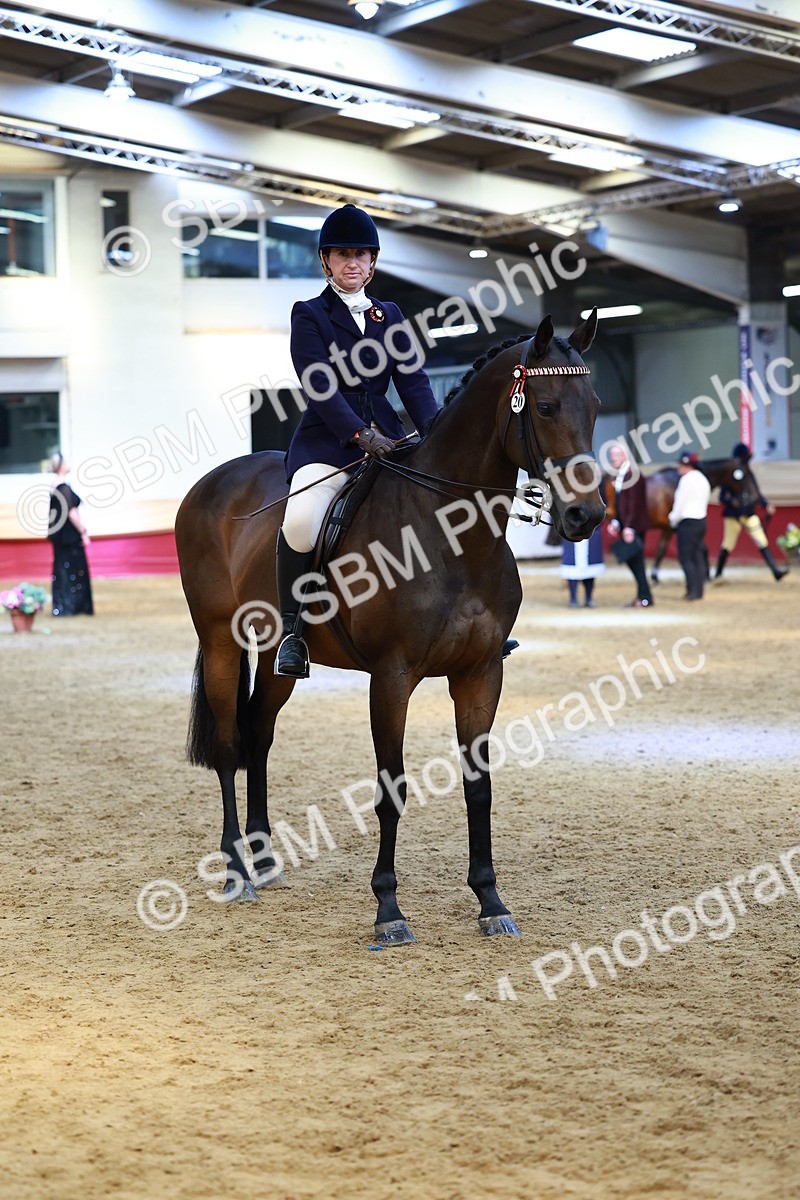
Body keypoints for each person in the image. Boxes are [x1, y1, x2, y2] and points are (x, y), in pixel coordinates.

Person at [275, 203, 439, 678]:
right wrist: (358, 432)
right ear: (325, 261)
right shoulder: (309, 314)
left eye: (361, 254)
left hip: (390, 441)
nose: (353, 262)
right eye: (342, 254)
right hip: (330, 445)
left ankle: (463, 613)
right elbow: (318, 384)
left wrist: (434, 433)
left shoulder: (389, 315)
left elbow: (413, 381)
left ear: (373, 261)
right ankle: (292, 633)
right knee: (302, 520)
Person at [714, 442, 787, 582]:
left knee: (761, 540)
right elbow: (723, 497)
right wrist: (732, 502)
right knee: (728, 544)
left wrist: (766, 504)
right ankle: (718, 574)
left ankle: (775, 571)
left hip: (748, 513)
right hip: (733, 516)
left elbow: (756, 493)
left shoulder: (749, 474)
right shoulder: (729, 475)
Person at [47, 451, 94, 617]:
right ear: (60, 466)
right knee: (75, 570)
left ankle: (64, 604)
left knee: (63, 569)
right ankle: (74, 605)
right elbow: (71, 512)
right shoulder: (63, 487)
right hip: (69, 536)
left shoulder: (54, 486)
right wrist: (83, 531)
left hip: (60, 537)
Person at [607, 443, 653, 608]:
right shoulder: (622, 474)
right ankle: (643, 596)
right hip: (628, 525)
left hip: (635, 526)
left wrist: (629, 527)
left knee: (637, 563)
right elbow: (621, 504)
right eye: (612, 455)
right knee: (633, 562)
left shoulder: (632, 474)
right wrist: (616, 522)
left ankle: (645, 597)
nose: (613, 458)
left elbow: (635, 504)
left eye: (616, 455)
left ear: (625, 455)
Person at [669, 451, 711, 601]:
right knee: (697, 556)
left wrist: (672, 519)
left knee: (686, 557)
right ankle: (698, 590)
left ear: (687, 465)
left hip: (687, 521)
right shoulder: (703, 479)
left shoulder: (686, 480)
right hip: (701, 520)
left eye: (681, 464)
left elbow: (680, 504)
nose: (678, 467)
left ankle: (691, 590)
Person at [561, 525, 604, 607]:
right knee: (572, 570)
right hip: (571, 533)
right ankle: (573, 599)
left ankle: (588, 598)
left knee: (591, 570)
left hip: (591, 533)